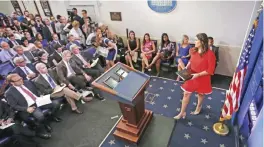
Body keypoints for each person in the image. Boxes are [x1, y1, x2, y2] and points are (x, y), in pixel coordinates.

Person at [173, 33, 216, 120]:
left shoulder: (210, 54)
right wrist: (186, 68)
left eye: (196, 40)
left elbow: (210, 70)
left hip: (202, 77)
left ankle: (198, 107)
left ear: (202, 42)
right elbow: (191, 61)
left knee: (200, 94)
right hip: (192, 75)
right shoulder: (193, 50)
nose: (194, 41)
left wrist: (198, 75)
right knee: (186, 94)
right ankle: (182, 112)